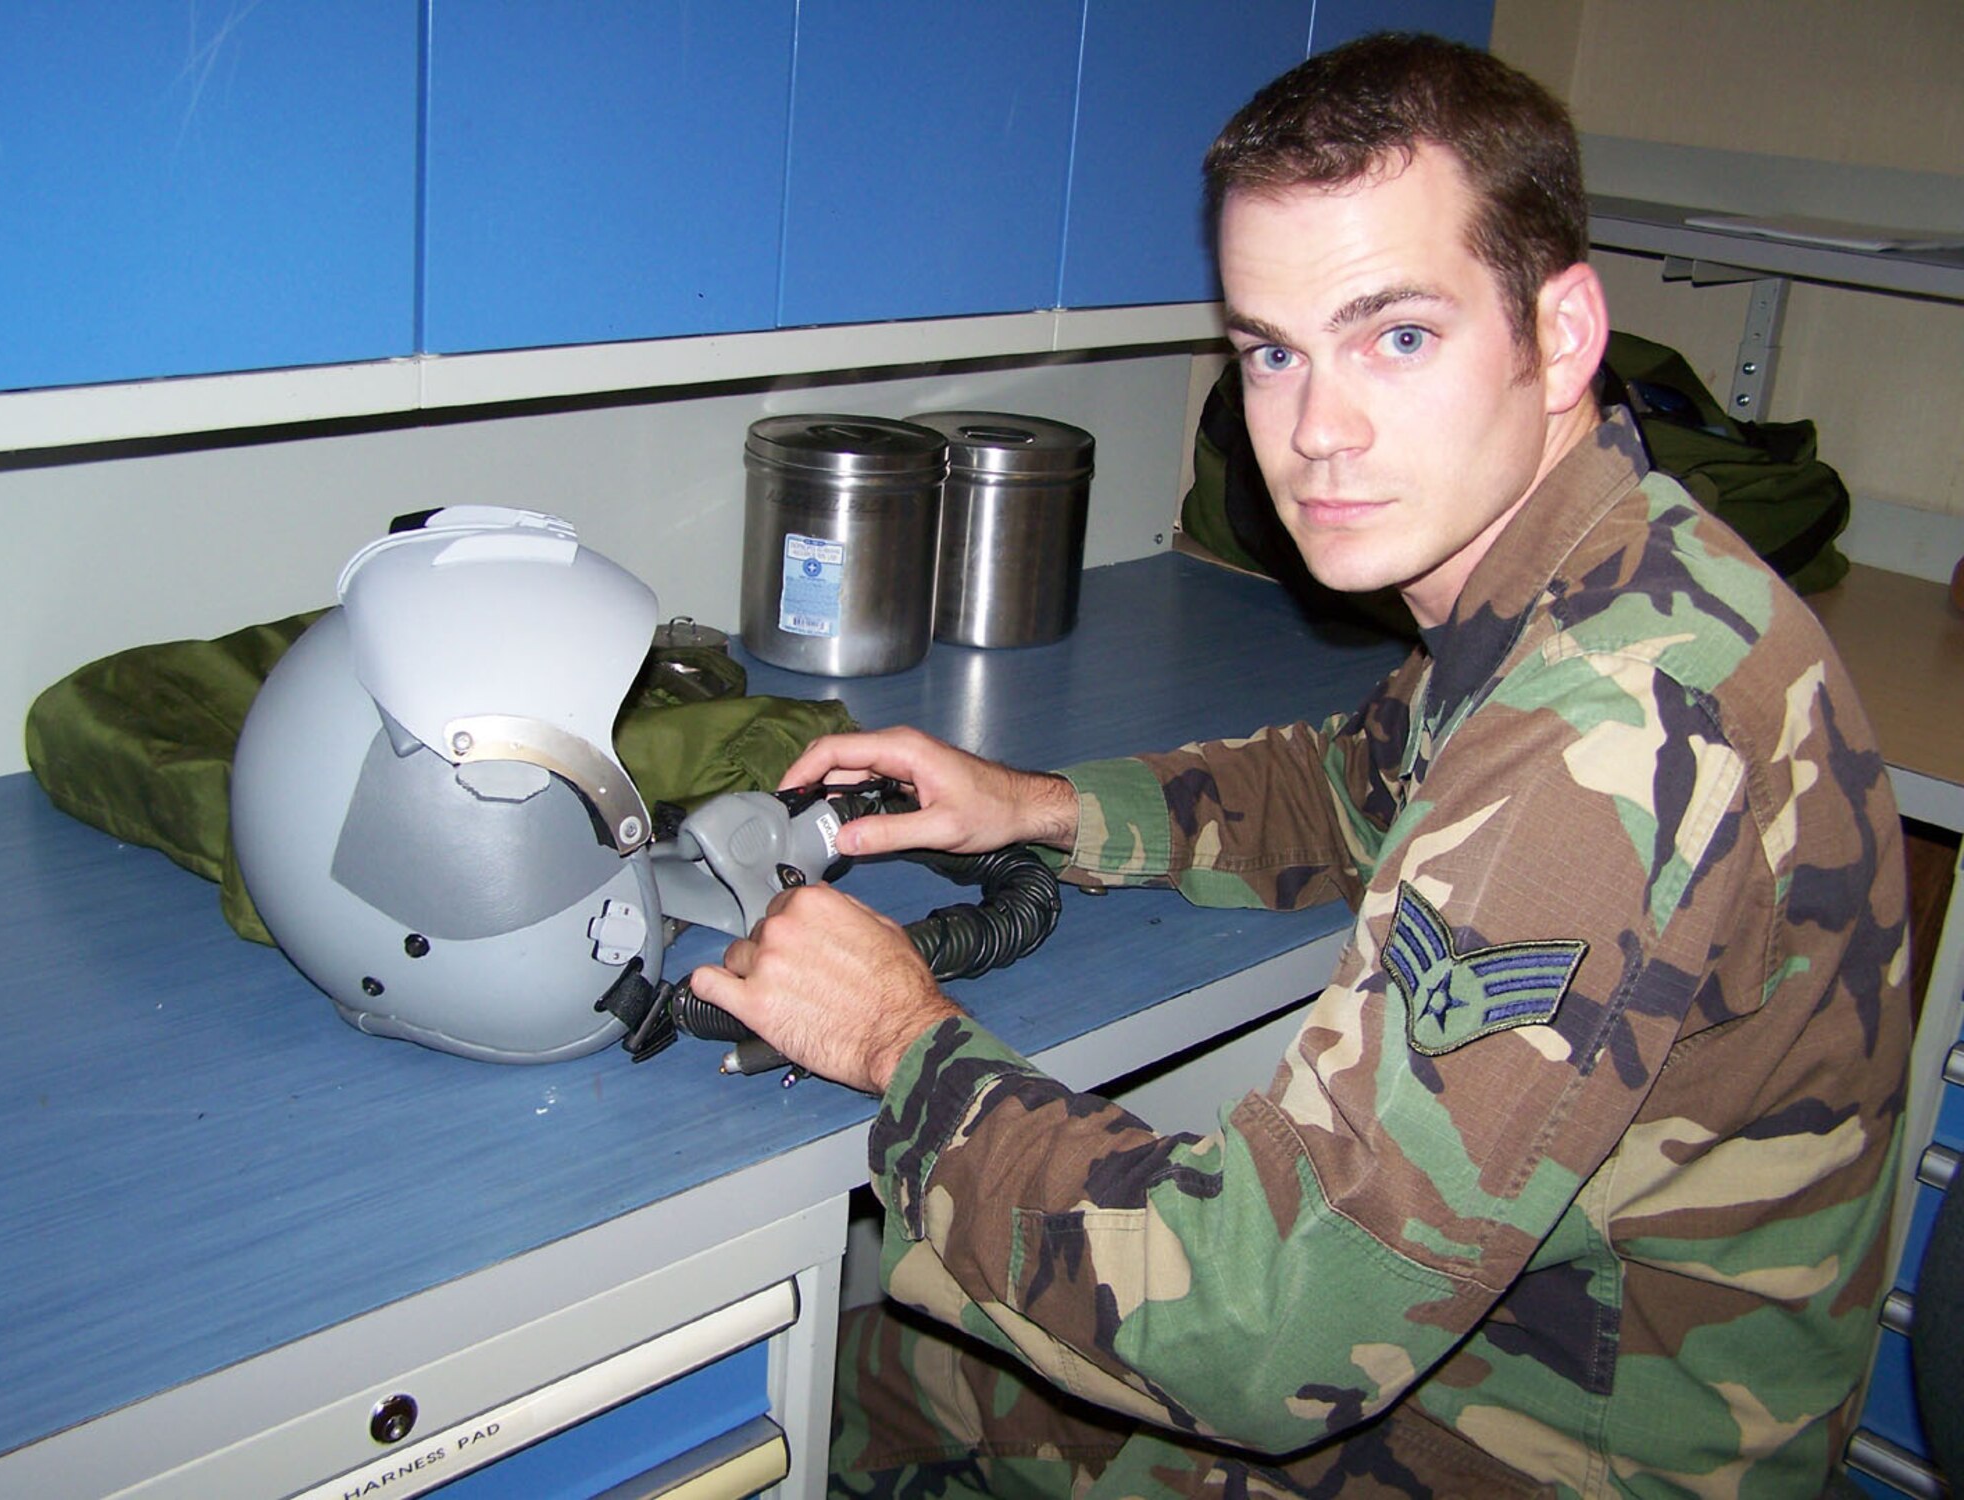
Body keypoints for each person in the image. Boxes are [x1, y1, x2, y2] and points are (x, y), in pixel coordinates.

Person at [690, 31, 1913, 1498]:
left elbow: (1260, 1336)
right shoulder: (1608, 566)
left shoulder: (1610, 730)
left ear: (1564, 331)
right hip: (1558, 1361)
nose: (1316, 432)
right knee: (910, 1362)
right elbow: (1359, 785)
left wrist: (902, 1045)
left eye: (1398, 335)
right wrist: (1041, 807)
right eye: (1275, 351)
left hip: (1554, 1452)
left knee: (873, 1376)